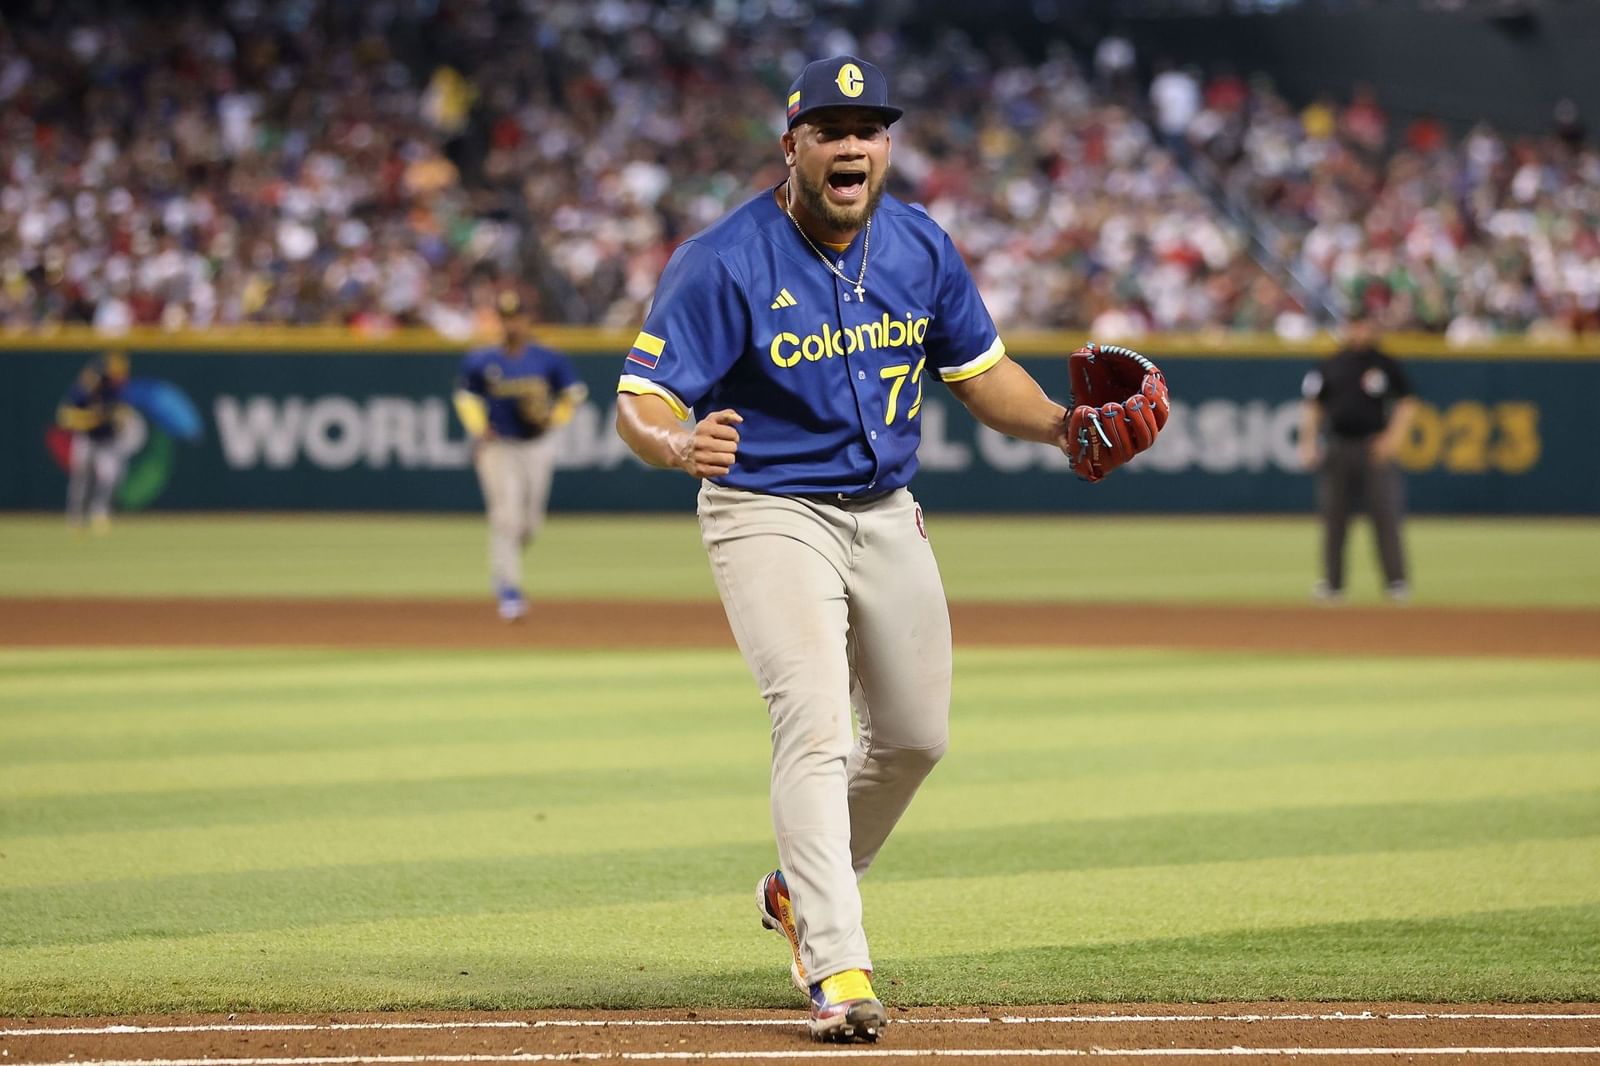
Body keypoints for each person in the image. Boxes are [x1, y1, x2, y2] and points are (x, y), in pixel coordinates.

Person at [614, 56, 1149, 1043]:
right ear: (793, 147)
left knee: (914, 737)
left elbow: (981, 376)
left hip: (884, 507)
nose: (851, 144)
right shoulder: (723, 258)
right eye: (828, 128)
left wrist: (1062, 426)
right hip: (766, 508)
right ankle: (838, 966)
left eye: (867, 128)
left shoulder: (918, 246)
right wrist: (673, 442)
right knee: (814, 726)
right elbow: (639, 398)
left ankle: (794, 890)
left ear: (885, 147)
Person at [453, 291, 588, 621]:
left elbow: (575, 394)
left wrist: (552, 417)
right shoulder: (482, 360)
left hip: (537, 445)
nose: (512, 323)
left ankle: (503, 568)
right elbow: (465, 396)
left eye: (518, 316)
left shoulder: (548, 359)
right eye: (506, 316)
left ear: (528, 319)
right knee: (506, 518)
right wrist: (478, 426)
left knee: (529, 525)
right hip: (498, 445)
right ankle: (509, 588)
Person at [1299, 315, 1418, 603]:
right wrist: (1308, 442)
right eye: (1354, 325)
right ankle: (1333, 584)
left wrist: (1392, 439)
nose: (1360, 331)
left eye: (1365, 325)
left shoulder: (1385, 363)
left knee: (1385, 516)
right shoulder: (1331, 363)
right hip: (1338, 446)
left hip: (1373, 448)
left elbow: (1408, 403)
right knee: (1334, 518)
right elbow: (1313, 406)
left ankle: (1396, 582)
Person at [57, 351, 132, 534]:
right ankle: (76, 517)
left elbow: (121, 414)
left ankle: (99, 513)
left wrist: (115, 420)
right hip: (86, 438)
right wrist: (90, 419)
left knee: (111, 477)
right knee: (81, 479)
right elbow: (64, 416)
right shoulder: (83, 390)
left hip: (106, 440)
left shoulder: (112, 390)